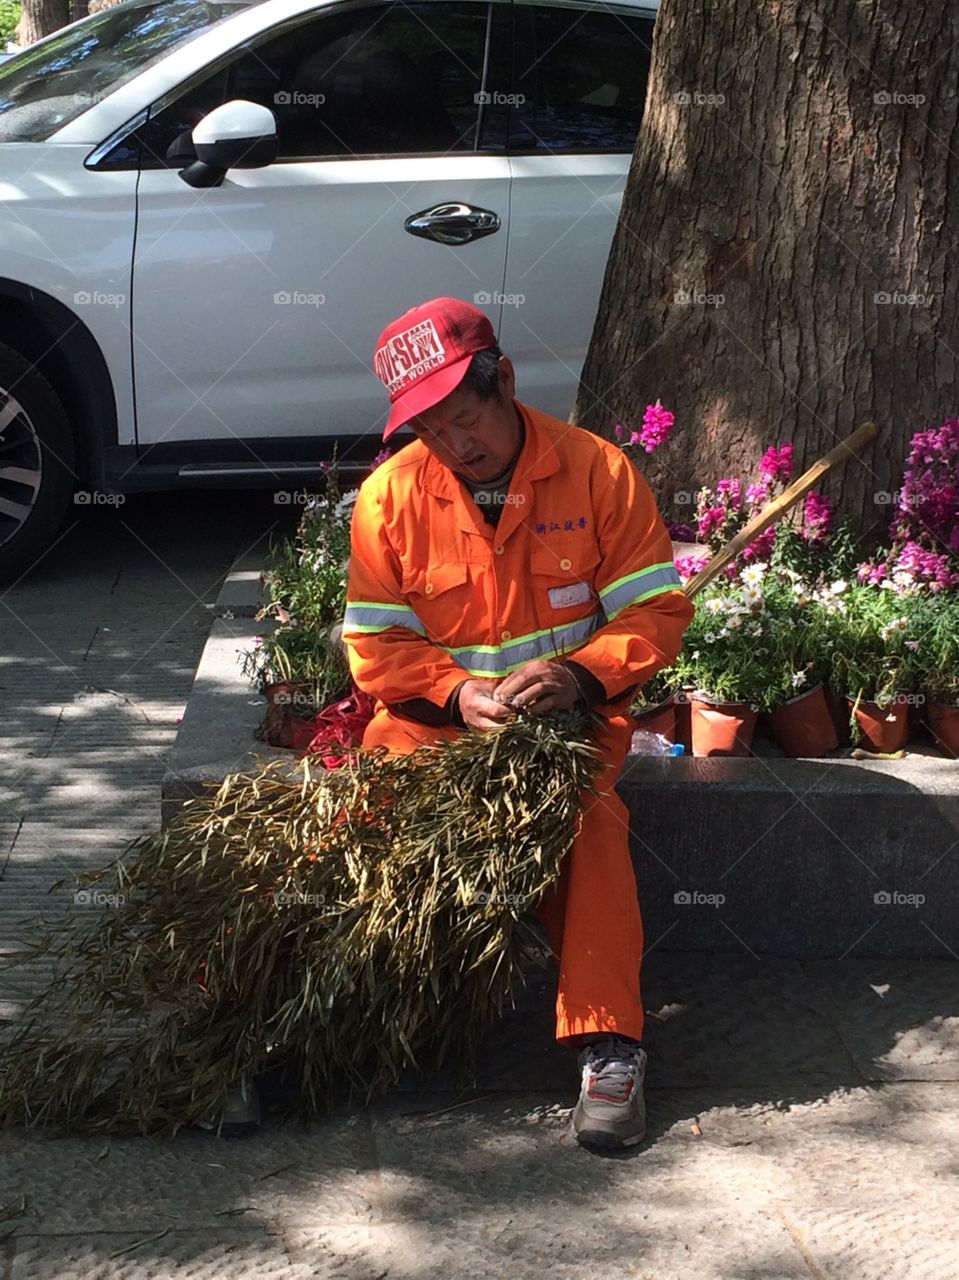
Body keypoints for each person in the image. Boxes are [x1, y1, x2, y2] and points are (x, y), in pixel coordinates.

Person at [341, 297, 694, 1150]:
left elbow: (653, 617)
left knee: (591, 826)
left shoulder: (597, 472)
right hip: (429, 731)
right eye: (429, 432)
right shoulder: (389, 498)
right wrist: (459, 695)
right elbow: (374, 641)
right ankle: (260, 1015)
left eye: (464, 421)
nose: (455, 448)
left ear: (503, 380)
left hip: (566, 734)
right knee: (349, 828)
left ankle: (609, 1045)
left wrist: (579, 674)